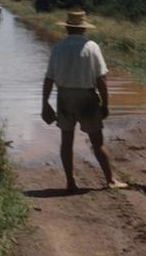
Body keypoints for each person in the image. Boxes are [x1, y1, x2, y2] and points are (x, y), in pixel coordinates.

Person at [41, 11, 127, 192]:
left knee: (66, 141)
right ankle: (110, 180)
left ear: (66, 27)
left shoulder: (58, 48)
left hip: (64, 97)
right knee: (97, 142)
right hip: (87, 98)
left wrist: (45, 103)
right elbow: (101, 79)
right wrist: (105, 104)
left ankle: (70, 182)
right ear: (83, 29)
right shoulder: (92, 47)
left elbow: (49, 79)